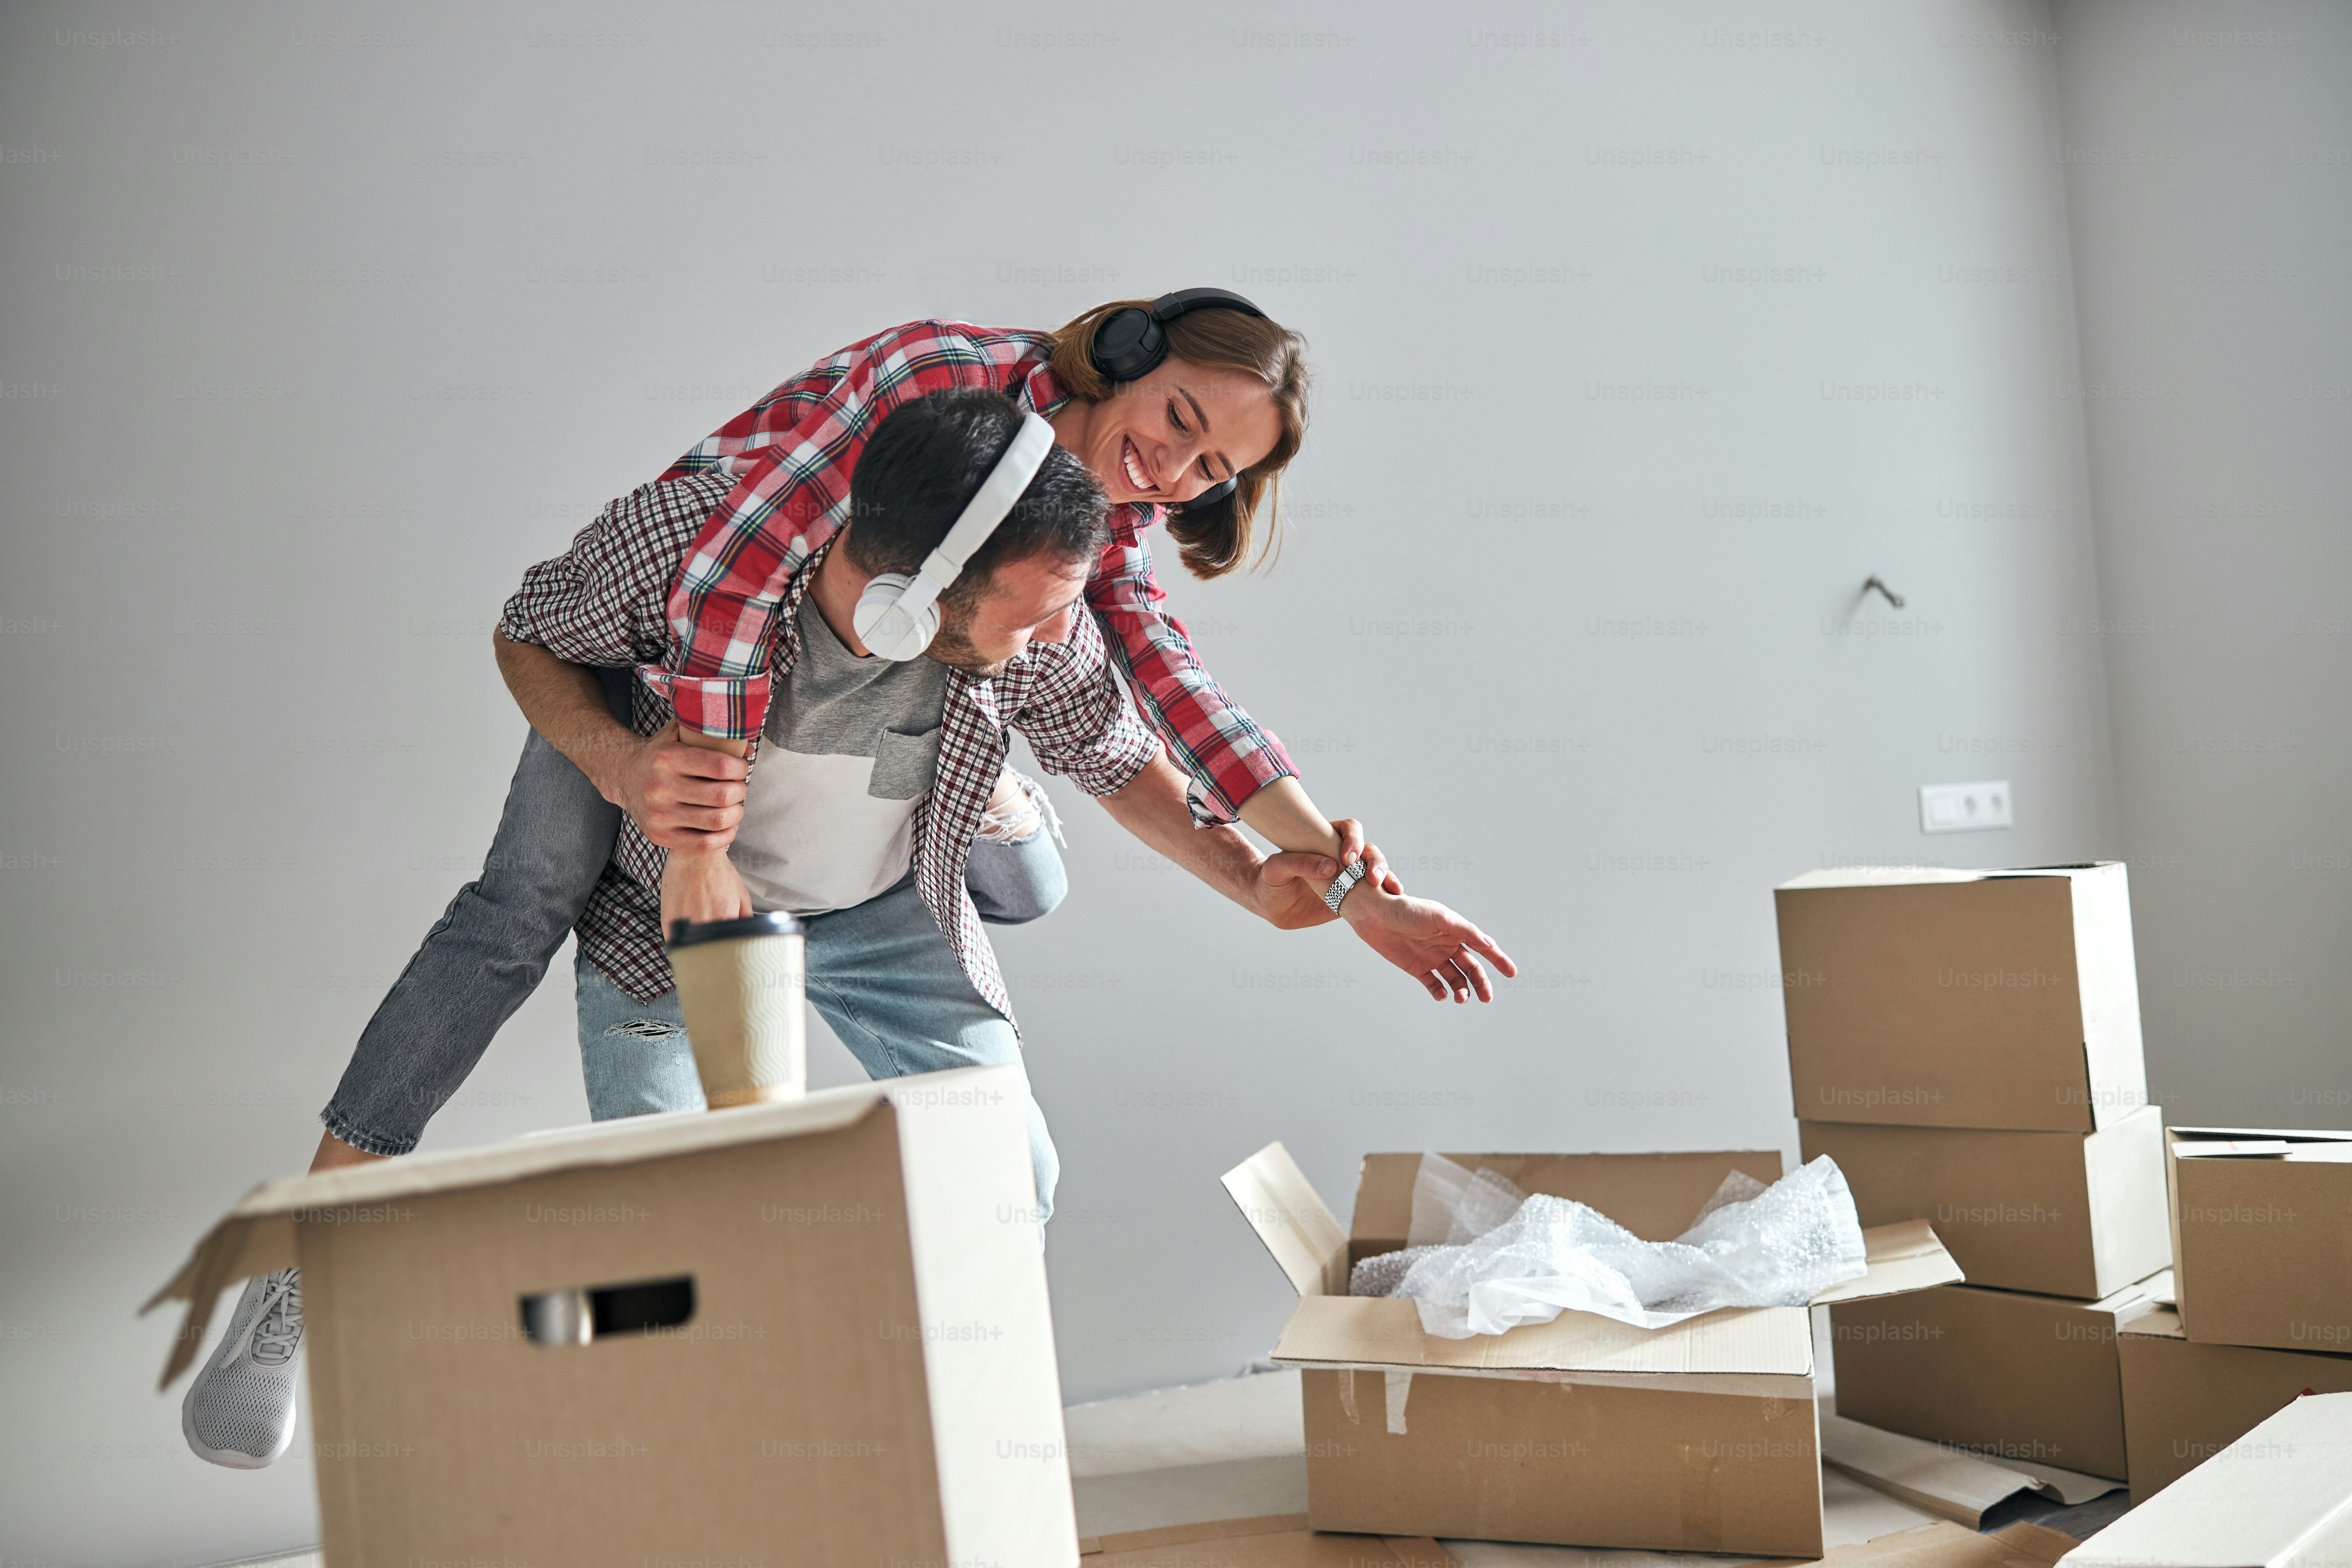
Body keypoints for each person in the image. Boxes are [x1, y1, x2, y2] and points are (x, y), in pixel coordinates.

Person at [182, 295, 1515, 1466]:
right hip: (658, 677)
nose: (1169, 472)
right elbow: (729, 584)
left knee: (1029, 858)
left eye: (1208, 469)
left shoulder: (1078, 538)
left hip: (901, 716)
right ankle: (307, 1260)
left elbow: (1156, 688)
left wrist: (1339, 881)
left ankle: (873, 1396)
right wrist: (652, 792)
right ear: (1128, 351)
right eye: (1174, 420)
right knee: (516, 917)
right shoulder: (935, 389)